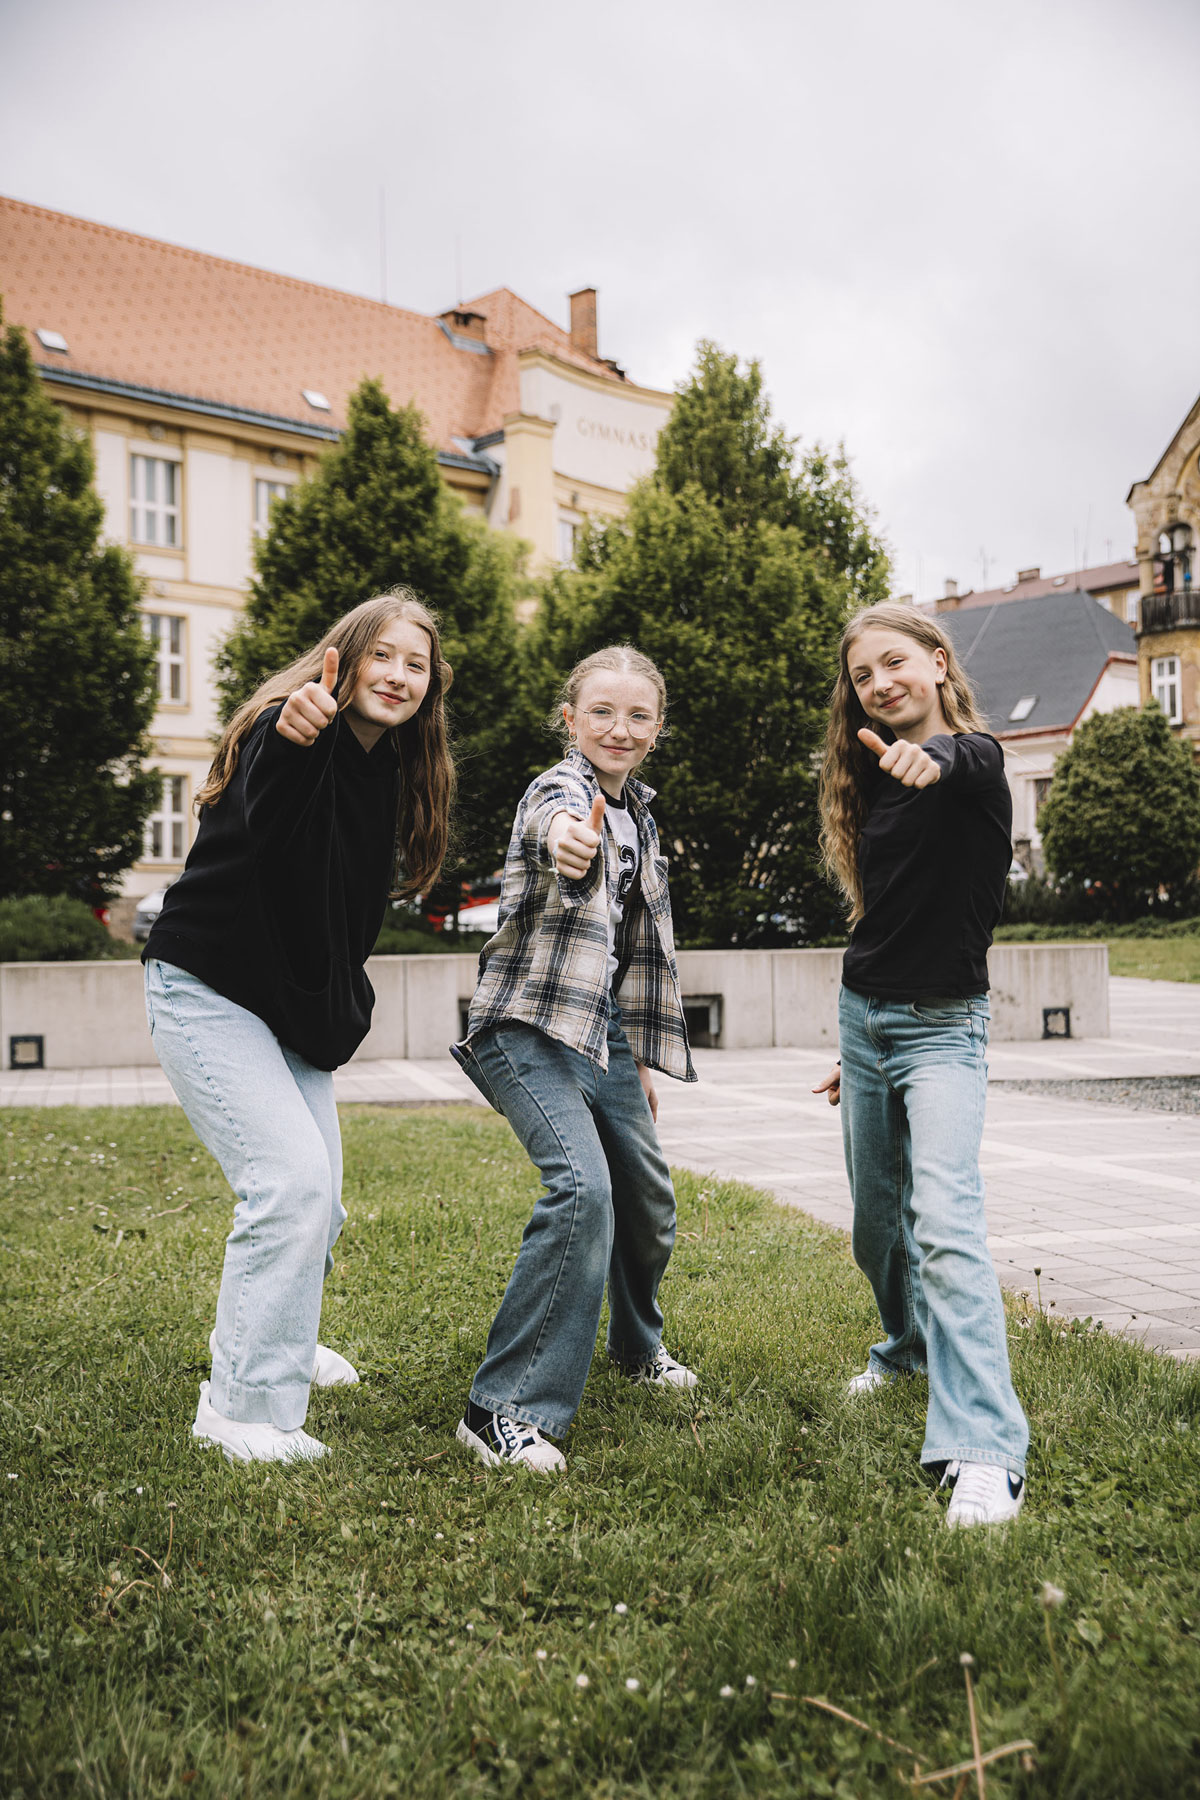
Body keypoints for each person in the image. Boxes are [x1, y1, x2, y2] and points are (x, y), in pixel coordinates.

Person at [142, 590, 454, 1463]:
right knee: (289, 1184)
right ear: (342, 659)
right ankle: (239, 1409)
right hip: (208, 986)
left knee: (323, 1201)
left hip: (288, 1007)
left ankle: (281, 1333)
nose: (397, 675)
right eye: (382, 655)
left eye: (416, 665)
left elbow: (335, 909)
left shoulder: (384, 767)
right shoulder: (287, 730)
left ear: (430, 688)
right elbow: (267, 822)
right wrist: (290, 738)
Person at [451, 645, 697, 1473]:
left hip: (603, 1035)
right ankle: (501, 1409)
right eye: (601, 712)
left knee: (648, 1200)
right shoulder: (558, 791)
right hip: (525, 1027)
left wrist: (638, 1068)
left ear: (657, 729)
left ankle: (636, 1346)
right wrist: (569, 842)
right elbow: (551, 823)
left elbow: (626, 953)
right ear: (571, 719)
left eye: (637, 715)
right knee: (583, 1190)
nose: (619, 729)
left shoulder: (642, 817)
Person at [813, 602, 1030, 1527]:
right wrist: (854, 1048)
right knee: (877, 1228)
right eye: (862, 675)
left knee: (943, 1220)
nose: (880, 684)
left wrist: (930, 757)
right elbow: (890, 914)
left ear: (938, 662)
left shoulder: (972, 761)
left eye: (894, 662)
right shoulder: (871, 777)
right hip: (866, 1020)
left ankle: (985, 1449)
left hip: (943, 1030)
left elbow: (969, 756)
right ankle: (905, 1348)